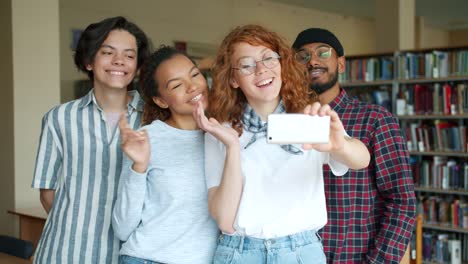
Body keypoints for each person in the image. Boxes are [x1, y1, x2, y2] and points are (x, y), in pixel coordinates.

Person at [192, 24, 370, 264]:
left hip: (301, 252)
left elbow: (362, 159)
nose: (261, 70)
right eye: (246, 65)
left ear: (282, 64)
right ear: (233, 78)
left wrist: (339, 145)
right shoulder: (219, 129)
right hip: (240, 252)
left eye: (268, 58)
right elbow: (225, 220)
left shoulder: (307, 117)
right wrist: (233, 147)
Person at [31, 16, 150, 263]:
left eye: (129, 55)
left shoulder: (154, 119)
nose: (119, 61)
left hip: (129, 253)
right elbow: (47, 191)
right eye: (108, 52)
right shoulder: (60, 117)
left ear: (137, 66)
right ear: (88, 61)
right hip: (64, 251)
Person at [292, 28, 416, 263]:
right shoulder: (286, 123)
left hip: (354, 258)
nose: (313, 61)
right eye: (302, 56)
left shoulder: (375, 120)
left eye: (323, 53)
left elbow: (402, 201)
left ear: (340, 64)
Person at [112, 46, 218, 264]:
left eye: (195, 75)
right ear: (161, 100)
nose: (192, 87)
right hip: (148, 259)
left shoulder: (223, 134)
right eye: (177, 85)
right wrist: (138, 167)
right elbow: (122, 228)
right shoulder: (147, 140)